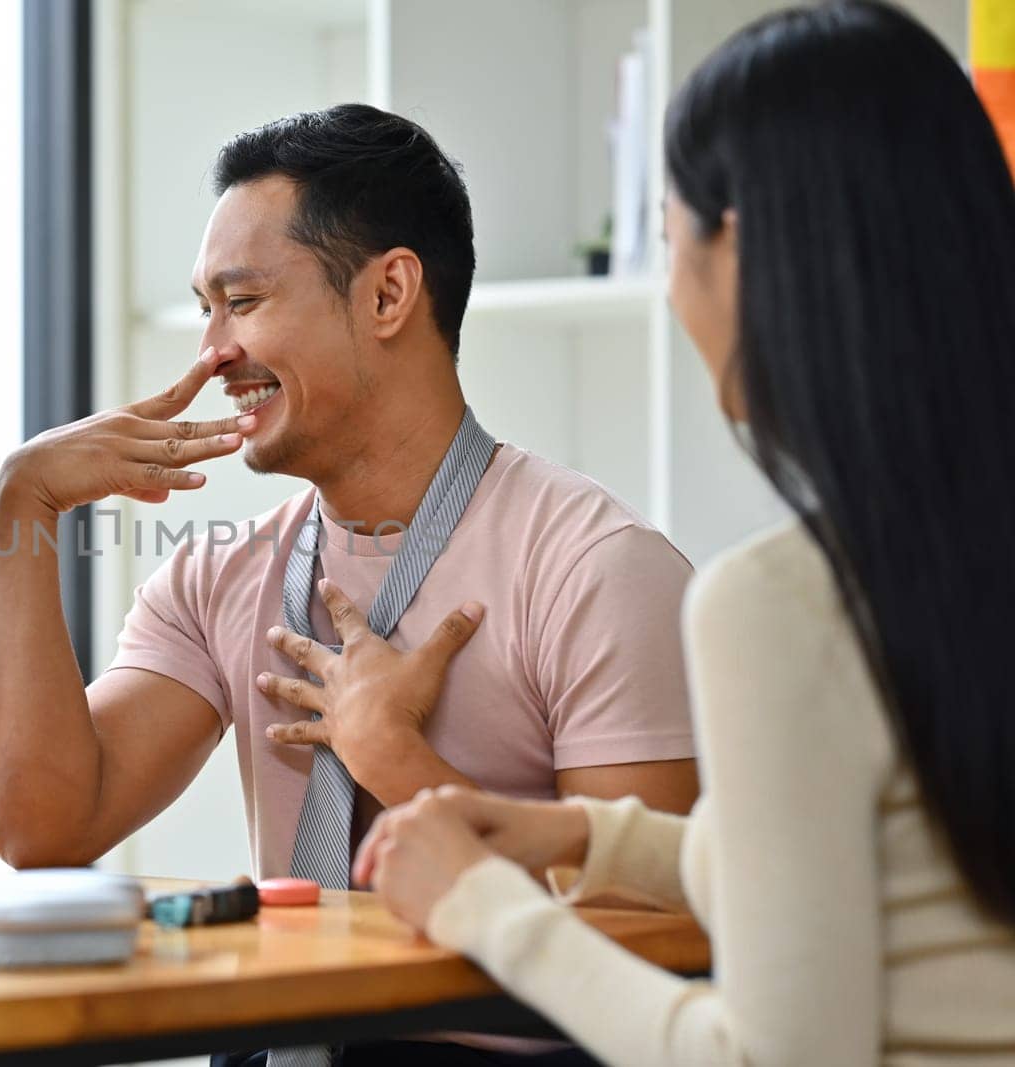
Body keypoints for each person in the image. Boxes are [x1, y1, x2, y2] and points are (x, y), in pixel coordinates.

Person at [289, 4, 1015, 1064]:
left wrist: (489, 907)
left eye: (669, 232)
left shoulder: (782, 603)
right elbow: (906, 871)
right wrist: (594, 836)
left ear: (741, 250)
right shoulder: (948, 562)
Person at [0, 104, 699, 1063]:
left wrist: (395, 761)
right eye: (206, 307)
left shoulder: (597, 569)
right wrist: (21, 506)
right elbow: (42, 827)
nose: (212, 351)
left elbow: (653, 951)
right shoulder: (216, 572)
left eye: (245, 300)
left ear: (390, 294)